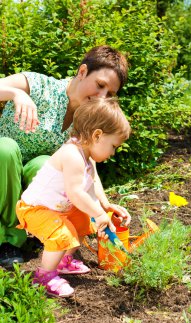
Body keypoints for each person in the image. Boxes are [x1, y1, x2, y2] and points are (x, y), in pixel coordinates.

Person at [0, 45, 128, 268]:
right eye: (100, 85)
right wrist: (16, 93)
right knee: (6, 149)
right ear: (82, 71)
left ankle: (44, 232)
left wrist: (104, 204)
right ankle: (6, 240)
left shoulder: (88, 117)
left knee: (43, 163)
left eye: (110, 94)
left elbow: (87, 167)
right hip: (3, 170)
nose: (102, 96)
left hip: (33, 187)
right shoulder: (40, 86)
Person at [16, 97, 131, 297]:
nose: (113, 153)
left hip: (57, 208)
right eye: (113, 146)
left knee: (83, 220)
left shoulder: (86, 157)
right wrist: (100, 214)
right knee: (63, 232)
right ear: (97, 135)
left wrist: (103, 208)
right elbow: (76, 193)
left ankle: (62, 262)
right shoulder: (72, 155)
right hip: (35, 209)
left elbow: (90, 188)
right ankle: (43, 276)